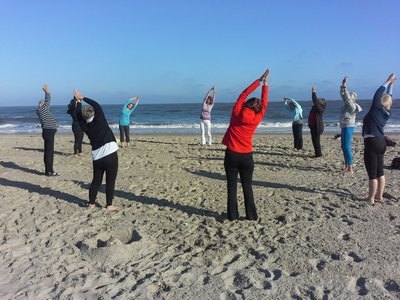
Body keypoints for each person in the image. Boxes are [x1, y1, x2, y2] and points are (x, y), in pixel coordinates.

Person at [222, 69, 269, 221]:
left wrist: (259, 80)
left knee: (232, 186)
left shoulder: (236, 112)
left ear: (246, 105)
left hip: (232, 154)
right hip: (247, 156)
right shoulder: (257, 118)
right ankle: (251, 215)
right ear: (258, 109)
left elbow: (243, 94)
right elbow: (265, 104)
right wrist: (265, 85)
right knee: (247, 186)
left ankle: (232, 216)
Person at [74, 89, 119, 211]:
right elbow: (97, 105)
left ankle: (91, 204)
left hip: (97, 158)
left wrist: (77, 102)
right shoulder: (101, 120)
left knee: (96, 181)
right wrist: (82, 97)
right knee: (110, 181)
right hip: (110, 155)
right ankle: (109, 205)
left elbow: (78, 115)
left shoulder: (85, 126)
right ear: (94, 113)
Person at [362, 73, 396, 205]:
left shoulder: (376, 108)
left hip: (372, 142)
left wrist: (387, 81)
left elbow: (377, 93)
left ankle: (371, 198)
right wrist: (391, 87)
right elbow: (389, 98)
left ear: (380, 101)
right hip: (381, 142)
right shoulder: (387, 112)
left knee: (372, 174)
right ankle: (380, 196)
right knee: (380, 172)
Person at [339, 76, 362, 174]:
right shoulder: (346, 105)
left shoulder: (352, 106)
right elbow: (344, 96)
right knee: (343, 146)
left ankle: (350, 168)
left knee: (347, 146)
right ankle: (346, 166)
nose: (346, 100)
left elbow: (347, 98)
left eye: (349, 98)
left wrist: (345, 86)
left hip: (349, 126)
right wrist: (342, 88)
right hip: (344, 125)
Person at [36, 84, 59, 176]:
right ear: (43, 104)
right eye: (45, 103)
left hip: (47, 132)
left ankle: (48, 170)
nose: (48, 105)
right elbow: (48, 100)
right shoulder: (43, 109)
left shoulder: (41, 110)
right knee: (49, 153)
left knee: (47, 152)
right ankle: (50, 171)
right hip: (49, 132)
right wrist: (46, 91)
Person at [308, 86, 327, 158]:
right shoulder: (315, 108)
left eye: (320, 101)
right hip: (313, 126)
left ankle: (318, 154)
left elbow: (315, 101)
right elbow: (315, 103)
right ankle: (317, 153)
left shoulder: (320, 109)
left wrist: (313, 93)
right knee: (314, 140)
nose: (318, 101)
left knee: (316, 141)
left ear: (322, 104)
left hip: (317, 127)